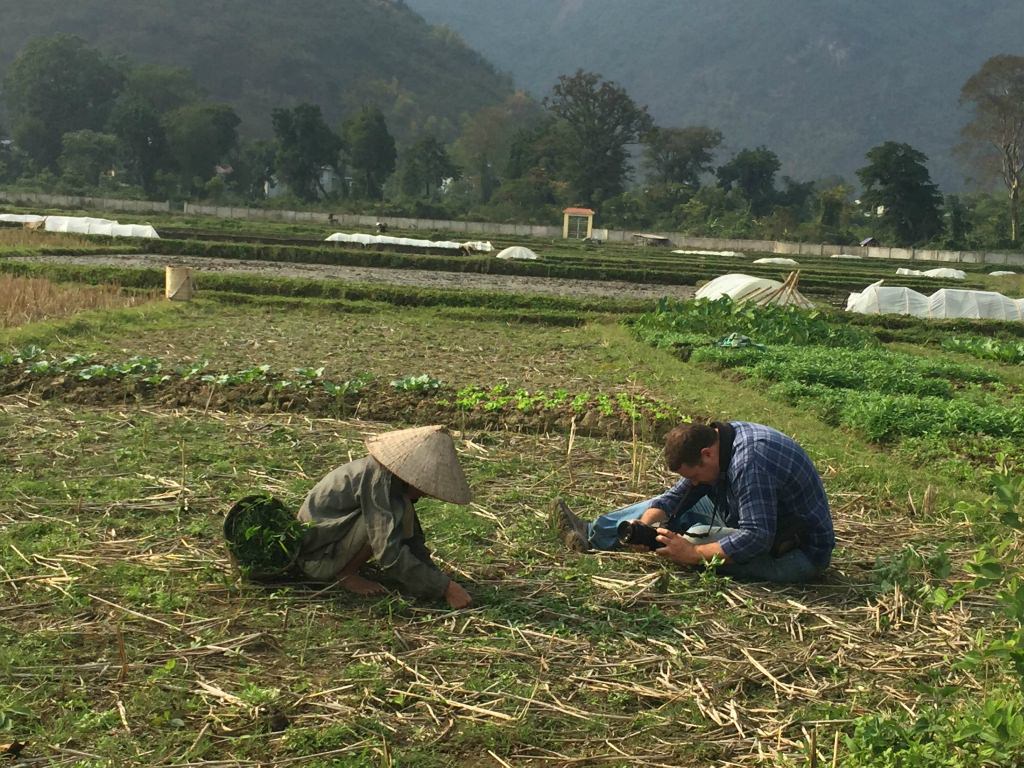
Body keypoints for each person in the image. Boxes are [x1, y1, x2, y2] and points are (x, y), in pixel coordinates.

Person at [556, 421, 835, 583]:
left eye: (695, 475)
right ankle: (590, 533)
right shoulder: (718, 441)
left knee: (694, 537)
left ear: (706, 455)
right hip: (746, 516)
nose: (695, 482)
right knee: (661, 511)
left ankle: (689, 548)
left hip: (795, 552)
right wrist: (642, 526)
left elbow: (758, 537)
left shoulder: (751, 462)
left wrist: (691, 554)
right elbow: (676, 498)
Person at [296, 424, 473, 608]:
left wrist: (437, 579)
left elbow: (413, 541)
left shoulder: (392, 484)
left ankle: (348, 568)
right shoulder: (378, 481)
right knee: (376, 525)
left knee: (401, 512)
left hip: (333, 545)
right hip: (317, 559)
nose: (425, 493)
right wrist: (446, 588)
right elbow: (388, 553)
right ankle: (346, 574)